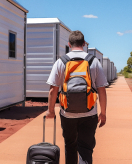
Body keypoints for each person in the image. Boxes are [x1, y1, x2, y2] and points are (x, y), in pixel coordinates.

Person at [45, 30, 108, 164]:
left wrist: (50, 111)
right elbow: (102, 90)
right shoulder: (94, 62)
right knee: (85, 149)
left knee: (70, 145)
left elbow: (53, 90)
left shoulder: (61, 62)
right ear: (84, 44)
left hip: (67, 114)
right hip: (89, 113)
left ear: (69, 44)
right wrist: (103, 113)